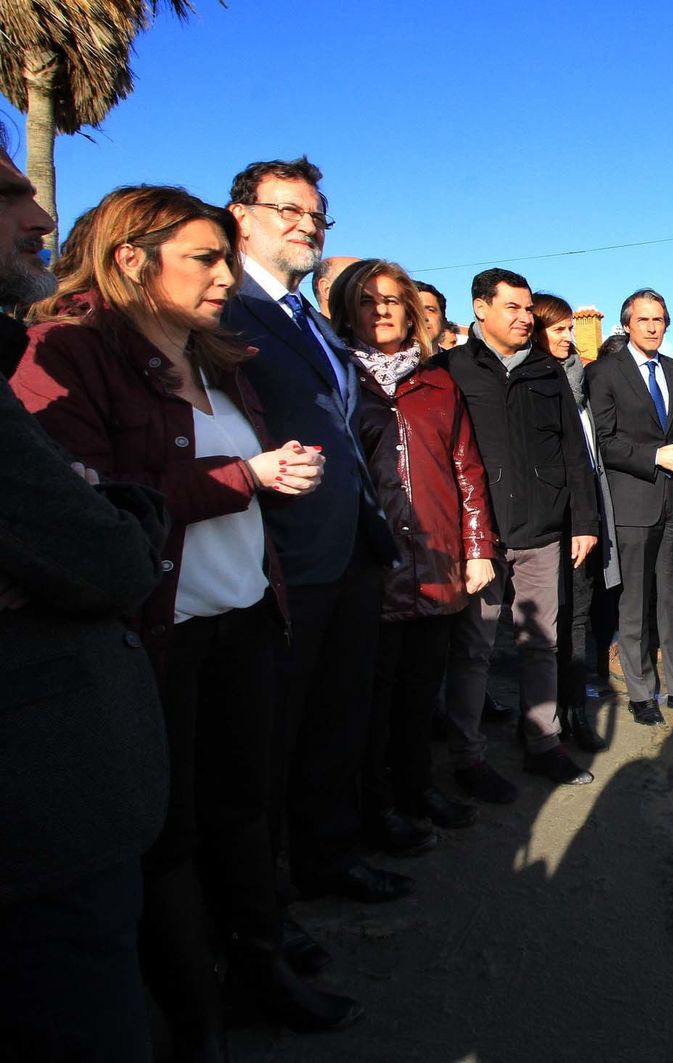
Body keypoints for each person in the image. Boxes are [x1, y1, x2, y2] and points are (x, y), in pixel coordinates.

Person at [14, 184, 362, 1047]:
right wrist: (245, 479)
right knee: (165, 832)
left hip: (245, 614)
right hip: (156, 635)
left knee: (242, 805)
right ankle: (194, 1012)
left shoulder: (220, 358)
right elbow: (85, 512)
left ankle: (259, 961)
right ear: (134, 260)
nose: (222, 275)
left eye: (220, 257)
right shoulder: (67, 354)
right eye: (204, 259)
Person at [0, 139, 173, 1060]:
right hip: (39, 823)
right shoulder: (61, 351)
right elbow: (105, 555)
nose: (38, 221)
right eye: (5, 198)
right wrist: (115, 511)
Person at [222, 157, 407, 914]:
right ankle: (264, 900)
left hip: (348, 552)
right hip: (280, 558)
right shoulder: (223, 309)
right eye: (287, 210)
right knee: (273, 740)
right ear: (241, 215)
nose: (306, 224)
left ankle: (328, 856)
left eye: (316, 213)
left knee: (338, 720)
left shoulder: (314, 323)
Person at [331, 258, 490, 847]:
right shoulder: (338, 375)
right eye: (369, 300)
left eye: (394, 300)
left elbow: (466, 469)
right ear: (348, 308)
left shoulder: (437, 382)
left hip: (438, 560)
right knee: (373, 698)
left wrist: (477, 549)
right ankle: (375, 805)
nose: (384, 310)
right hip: (371, 564)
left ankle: (419, 787)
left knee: (423, 690)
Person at [439, 268, 599, 795]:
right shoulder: (453, 370)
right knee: (474, 649)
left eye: (529, 309)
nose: (525, 318)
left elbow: (575, 452)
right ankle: (466, 756)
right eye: (513, 307)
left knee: (541, 643)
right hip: (481, 537)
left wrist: (584, 522)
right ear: (480, 308)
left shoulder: (546, 372)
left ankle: (542, 744)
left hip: (543, 532)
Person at [587, 288, 673, 724]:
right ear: (627, 324)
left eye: (659, 320)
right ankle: (641, 691)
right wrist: (654, 456)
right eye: (644, 319)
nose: (652, 327)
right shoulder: (605, 372)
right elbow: (602, 441)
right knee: (634, 603)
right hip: (632, 504)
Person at [531, 291, 619, 752]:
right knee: (548, 623)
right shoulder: (531, 382)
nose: (569, 338)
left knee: (579, 618)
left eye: (571, 328)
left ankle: (575, 710)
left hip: (583, 517)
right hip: (546, 521)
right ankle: (543, 719)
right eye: (560, 329)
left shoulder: (578, 381)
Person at [416, 281, 448, 346]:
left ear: (443, 322)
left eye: (430, 310)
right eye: (416, 310)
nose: (423, 317)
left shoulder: (461, 356)